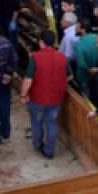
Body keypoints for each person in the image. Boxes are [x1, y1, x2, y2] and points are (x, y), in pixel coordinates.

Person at [21, 30, 68, 159]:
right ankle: (49, 150)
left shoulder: (35, 57)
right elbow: (70, 76)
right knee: (51, 123)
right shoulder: (62, 57)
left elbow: (28, 80)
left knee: (36, 122)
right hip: (56, 98)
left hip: (37, 98)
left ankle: (37, 145)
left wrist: (23, 95)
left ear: (41, 42)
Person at [73, 18, 98, 92]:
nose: (75, 29)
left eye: (77, 27)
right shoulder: (97, 37)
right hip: (97, 75)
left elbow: (81, 64)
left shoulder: (79, 46)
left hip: (84, 77)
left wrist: (89, 70)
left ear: (83, 30)